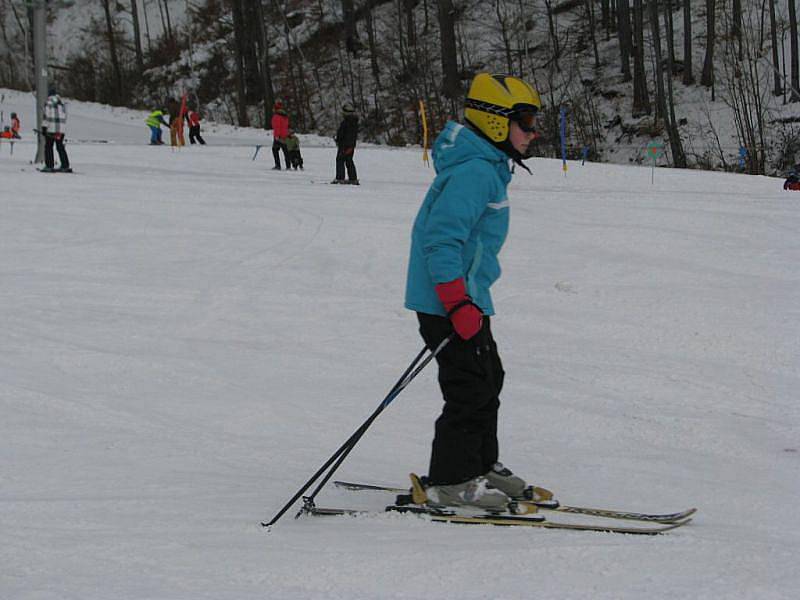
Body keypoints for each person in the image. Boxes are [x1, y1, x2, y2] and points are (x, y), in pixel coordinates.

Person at [404, 73, 542, 511]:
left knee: (489, 379)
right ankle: (450, 480)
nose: (532, 132)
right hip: (448, 303)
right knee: (467, 390)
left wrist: (470, 300)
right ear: (497, 122)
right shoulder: (474, 174)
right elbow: (441, 242)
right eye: (525, 121)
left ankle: (480, 465)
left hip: (468, 299)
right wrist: (456, 302)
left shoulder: (487, 168)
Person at [41, 87, 71, 173]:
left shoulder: (48, 103)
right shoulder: (62, 104)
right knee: (60, 146)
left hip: (51, 129)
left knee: (49, 146)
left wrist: (44, 127)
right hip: (61, 130)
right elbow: (65, 116)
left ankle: (49, 165)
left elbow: (46, 116)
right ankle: (65, 165)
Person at [331, 103, 358, 184]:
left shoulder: (348, 122)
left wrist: (339, 140)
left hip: (345, 145)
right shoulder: (352, 122)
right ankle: (353, 178)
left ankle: (340, 178)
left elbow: (345, 134)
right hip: (349, 145)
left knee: (340, 160)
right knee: (348, 160)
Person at [271, 100, 290, 170]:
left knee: (275, 150)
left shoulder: (276, 116)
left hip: (279, 136)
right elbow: (286, 126)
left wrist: (277, 136)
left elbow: (277, 127)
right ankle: (288, 166)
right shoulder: (285, 116)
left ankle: (277, 165)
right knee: (286, 151)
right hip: (285, 136)